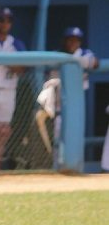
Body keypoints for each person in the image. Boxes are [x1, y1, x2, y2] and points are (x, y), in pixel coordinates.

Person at [35, 27, 99, 159]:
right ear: (65, 41)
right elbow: (45, 67)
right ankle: (57, 167)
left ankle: (73, 168)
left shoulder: (85, 54)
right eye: (70, 40)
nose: (73, 43)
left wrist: (78, 62)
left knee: (75, 138)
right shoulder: (57, 55)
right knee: (57, 140)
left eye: (76, 40)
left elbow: (95, 63)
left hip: (76, 105)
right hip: (57, 107)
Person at [0, 8, 26, 168]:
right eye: (1, 20)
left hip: (8, 91)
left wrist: (4, 62)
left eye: (8, 20)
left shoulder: (15, 43)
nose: (5, 23)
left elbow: (23, 68)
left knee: (3, 131)